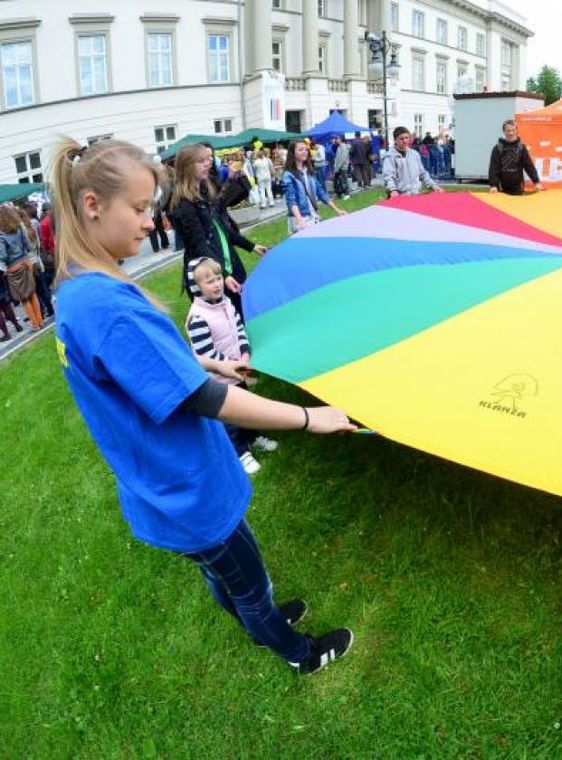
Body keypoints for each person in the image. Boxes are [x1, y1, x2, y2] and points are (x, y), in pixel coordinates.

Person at [50, 137, 356, 674]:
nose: (151, 222)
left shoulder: (76, 289)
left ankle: (255, 618)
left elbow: (139, 372)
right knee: (249, 579)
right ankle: (298, 653)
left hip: (160, 486)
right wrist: (310, 417)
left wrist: (211, 364)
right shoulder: (107, 305)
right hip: (187, 488)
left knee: (222, 574)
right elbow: (204, 401)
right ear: (93, 205)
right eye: (141, 208)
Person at [185, 257, 279, 475]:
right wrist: (235, 364)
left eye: (218, 278)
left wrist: (245, 353)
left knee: (247, 408)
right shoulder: (198, 317)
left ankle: (254, 437)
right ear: (196, 288)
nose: (217, 284)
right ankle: (240, 452)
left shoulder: (226, 303)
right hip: (219, 379)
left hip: (239, 369)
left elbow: (239, 330)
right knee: (230, 418)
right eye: (209, 282)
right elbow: (206, 353)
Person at [169, 143, 268, 318]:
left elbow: (223, 230)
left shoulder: (204, 193)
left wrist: (251, 246)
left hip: (228, 266)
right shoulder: (184, 205)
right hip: (209, 275)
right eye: (201, 160)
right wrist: (221, 274)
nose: (208, 163)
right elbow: (200, 246)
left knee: (243, 316)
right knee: (225, 323)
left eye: (208, 159)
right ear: (187, 167)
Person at [281, 140, 347, 234]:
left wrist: (337, 210)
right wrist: (300, 220)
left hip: (313, 216)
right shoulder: (288, 175)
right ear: (293, 153)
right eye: (300, 150)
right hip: (299, 220)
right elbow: (291, 201)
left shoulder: (309, 171)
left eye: (305, 149)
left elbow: (321, 193)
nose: (304, 152)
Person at [0, 205, 44, 330]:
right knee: (32, 293)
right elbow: (29, 246)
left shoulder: (1, 234)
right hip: (26, 262)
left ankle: (35, 324)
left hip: (13, 268)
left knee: (24, 298)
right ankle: (40, 321)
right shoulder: (19, 227)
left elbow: (2, 255)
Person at [382, 127, 443, 197]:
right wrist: (392, 190)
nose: (405, 141)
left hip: (416, 195)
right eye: (401, 139)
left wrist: (433, 185)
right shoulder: (390, 156)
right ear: (395, 140)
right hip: (399, 197)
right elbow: (388, 177)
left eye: (406, 138)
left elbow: (422, 173)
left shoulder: (414, 154)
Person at [487, 119, 543, 195]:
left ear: (516, 130)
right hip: (501, 187)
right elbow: (493, 168)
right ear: (504, 131)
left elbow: (529, 166)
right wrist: (493, 185)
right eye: (508, 130)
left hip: (518, 187)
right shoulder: (497, 148)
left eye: (513, 130)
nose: (511, 133)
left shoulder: (521, 148)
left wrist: (536, 182)